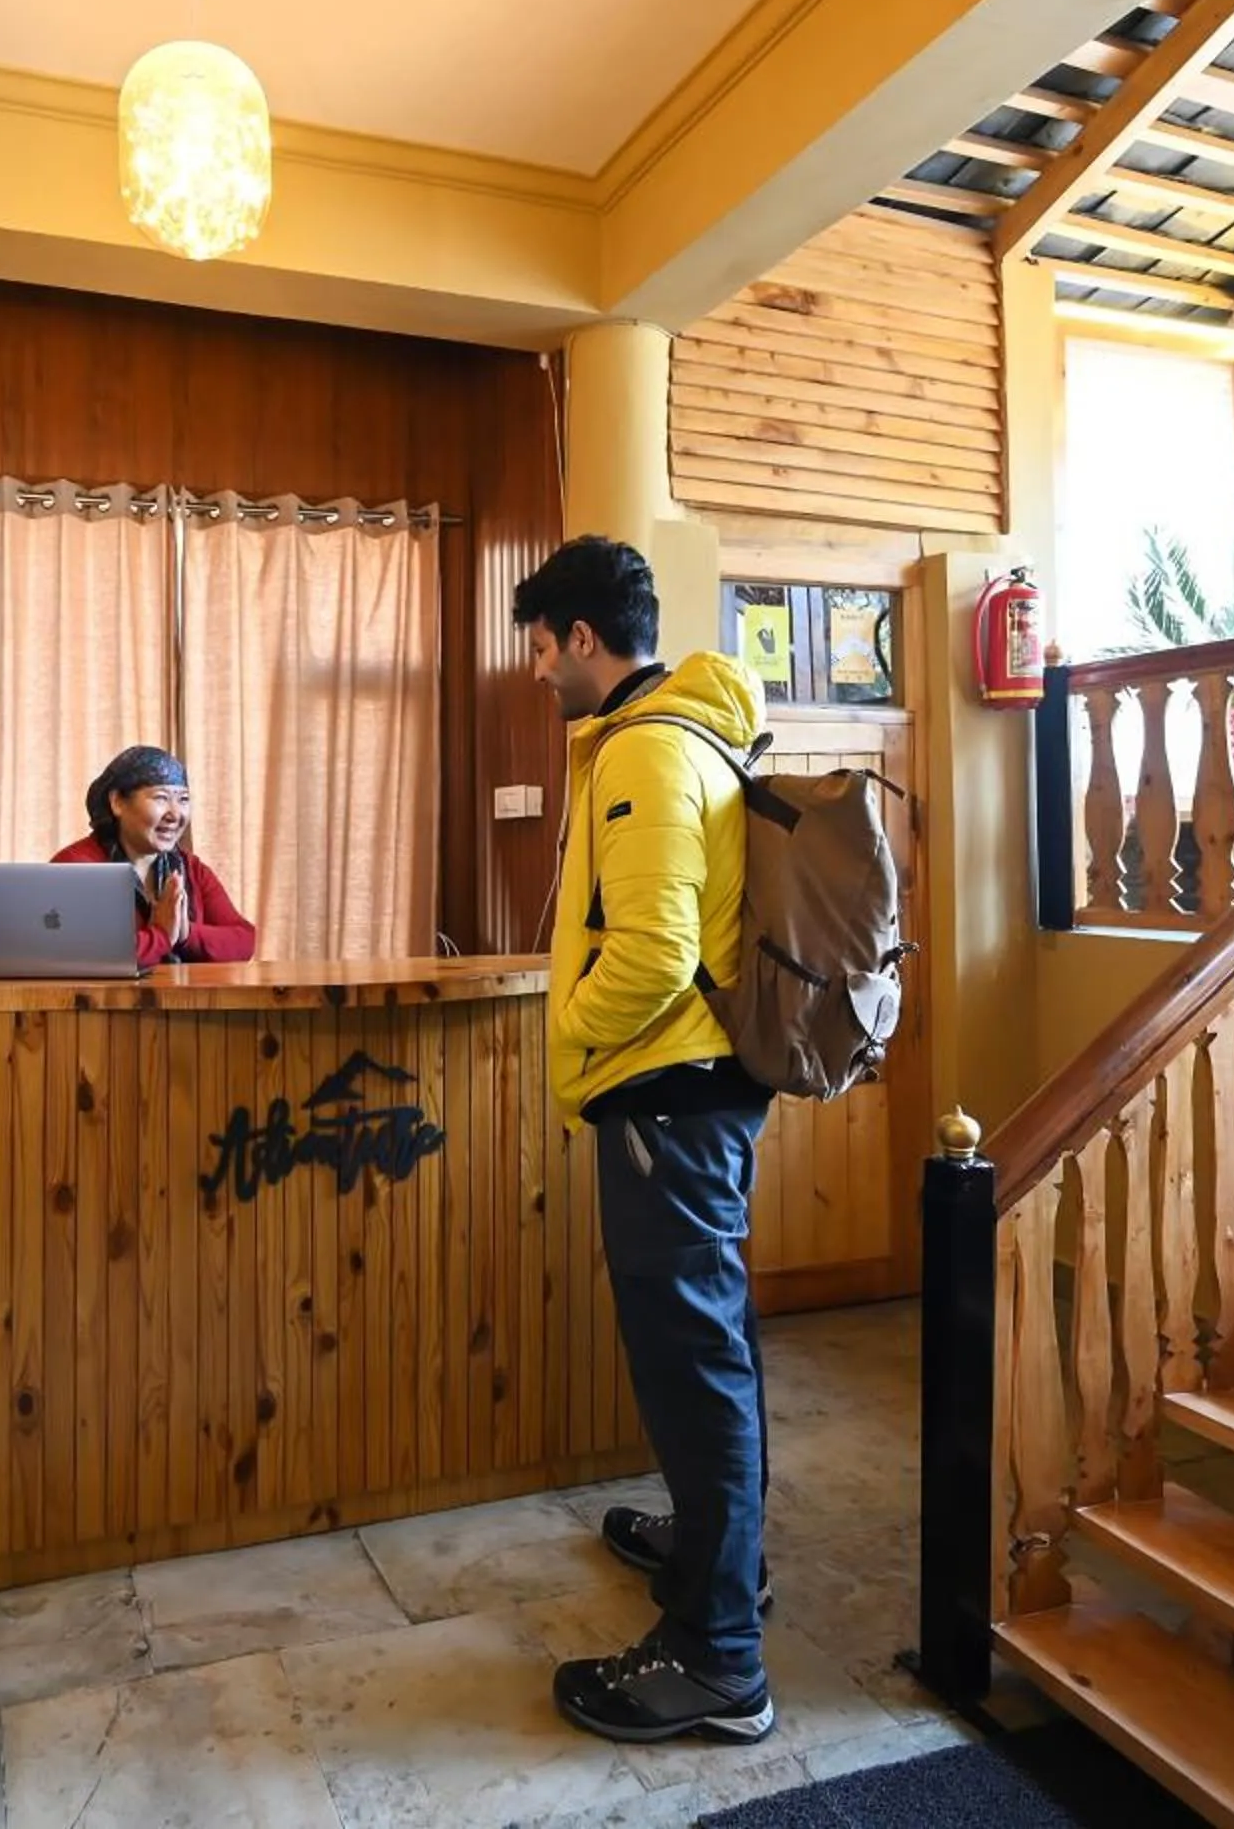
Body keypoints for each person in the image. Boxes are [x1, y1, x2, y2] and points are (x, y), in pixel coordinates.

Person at [514, 535, 778, 1746]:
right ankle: (714, 1547)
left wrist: (570, 1031)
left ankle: (720, 1655)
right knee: (702, 1343)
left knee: (690, 1356)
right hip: (687, 1092)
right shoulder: (672, 737)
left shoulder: (647, 751)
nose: (533, 670)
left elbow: (654, 954)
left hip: (663, 1096)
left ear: (582, 638)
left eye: (538, 643)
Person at [50, 745, 257, 967]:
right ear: (117, 802)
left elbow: (243, 940)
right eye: (161, 798)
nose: (175, 814)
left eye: (183, 799)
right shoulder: (76, 867)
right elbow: (81, 953)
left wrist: (186, 934)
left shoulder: (190, 867)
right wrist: (161, 935)